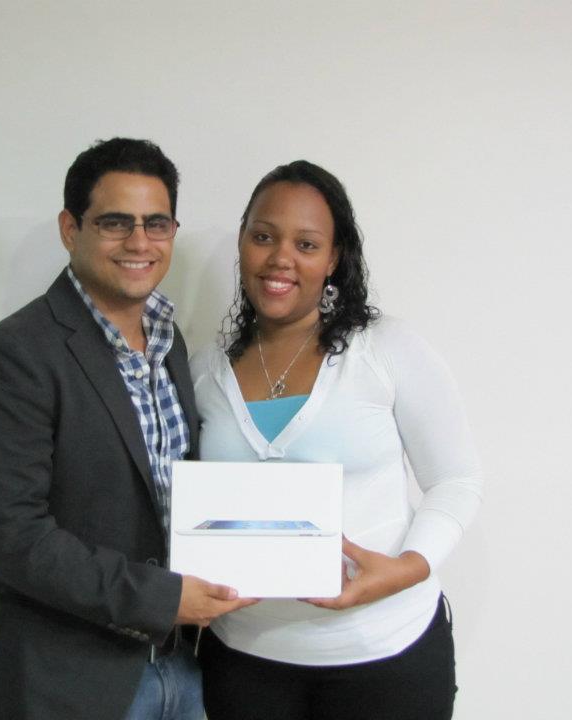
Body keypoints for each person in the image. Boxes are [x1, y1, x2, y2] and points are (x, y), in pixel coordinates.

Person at [0, 138, 253, 720]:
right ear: (71, 229)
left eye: (156, 223)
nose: (139, 242)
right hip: (71, 684)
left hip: (185, 669)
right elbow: (12, 536)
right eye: (116, 222)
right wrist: (164, 600)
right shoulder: (13, 355)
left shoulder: (169, 341)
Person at [190, 160, 484, 720]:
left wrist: (409, 567)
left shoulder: (387, 350)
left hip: (386, 656)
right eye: (263, 237)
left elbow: (457, 480)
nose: (280, 258)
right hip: (244, 662)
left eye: (306, 244)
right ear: (243, 243)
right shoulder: (205, 368)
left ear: (333, 259)